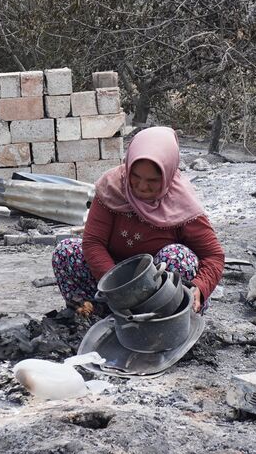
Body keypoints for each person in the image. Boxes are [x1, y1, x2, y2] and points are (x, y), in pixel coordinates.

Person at [52, 126, 224, 316]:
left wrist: (199, 287)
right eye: (135, 176)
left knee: (177, 255)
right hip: (114, 285)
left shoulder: (183, 203)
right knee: (65, 251)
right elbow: (93, 242)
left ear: (168, 174)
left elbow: (214, 257)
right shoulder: (112, 189)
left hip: (162, 294)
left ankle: (166, 320)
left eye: (152, 180)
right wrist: (119, 287)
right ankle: (95, 311)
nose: (142, 186)